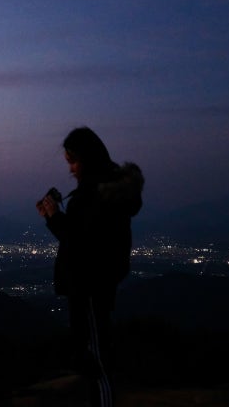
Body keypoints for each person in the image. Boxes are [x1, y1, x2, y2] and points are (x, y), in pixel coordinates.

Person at [36, 126, 144, 407]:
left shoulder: (95, 195)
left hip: (90, 286)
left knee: (95, 358)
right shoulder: (105, 192)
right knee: (90, 354)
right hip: (94, 284)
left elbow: (78, 241)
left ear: (87, 158)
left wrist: (53, 216)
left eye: (73, 161)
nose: (71, 169)